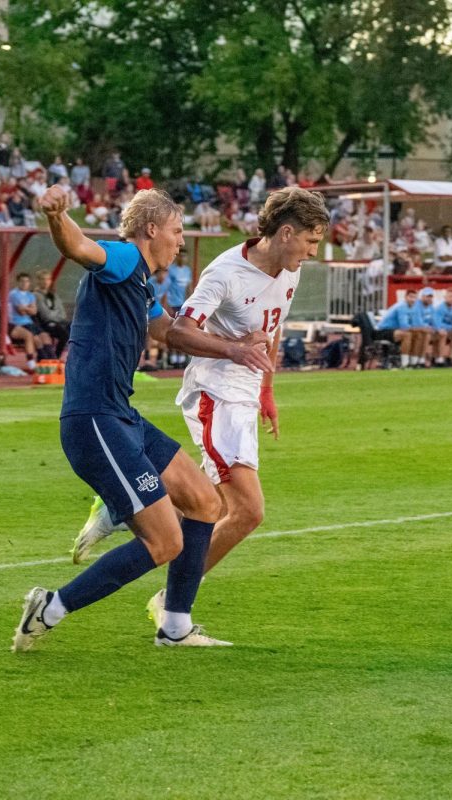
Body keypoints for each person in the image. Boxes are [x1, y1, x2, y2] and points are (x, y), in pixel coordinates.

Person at [13, 185, 264, 652]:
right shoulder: (126, 258)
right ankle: (49, 607)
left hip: (120, 415)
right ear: (151, 230)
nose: (181, 240)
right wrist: (56, 215)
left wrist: (232, 346)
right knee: (165, 541)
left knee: (206, 503)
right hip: (95, 420)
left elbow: (171, 332)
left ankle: (175, 627)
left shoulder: (143, 282)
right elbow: (79, 247)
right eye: (176, 230)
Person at [67, 188, 328, 627]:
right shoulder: (223, 273)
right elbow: (179, 329)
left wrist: (267, 390)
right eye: (311, 242)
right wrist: (233, 351)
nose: (313, 252)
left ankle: (156, 575)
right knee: (246, 510)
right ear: (286, 232)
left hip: (245, 393)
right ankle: (173, 604)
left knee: (210, 505)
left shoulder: (289, 271)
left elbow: (272, 328)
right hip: (215, 391)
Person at [8, 273, 54, 370]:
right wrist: (28, 308)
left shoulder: (30, 295)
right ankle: (37, 363)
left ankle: (51, 360)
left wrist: (26, 308)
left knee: (45, 337)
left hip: (29, 322)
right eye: (22, 281)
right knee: (35, 339)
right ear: (18, 282)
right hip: (17, 323)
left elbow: (34, 311)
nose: (25, 283)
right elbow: (21, 312)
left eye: (27, 281)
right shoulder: (14, 294)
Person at [34, 269, 71, 358]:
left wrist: (55, 315)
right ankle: (56, 357)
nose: (45, 282)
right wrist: (56, 315)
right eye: (43, 279)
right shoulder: (36, 295)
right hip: (45, 324)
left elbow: (62, 313)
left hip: (57, 321)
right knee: (65, 335)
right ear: (38, 281)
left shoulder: (54, 295)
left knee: (73, 326)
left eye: (47, 279)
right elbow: (45, 315)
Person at [378, 289, 419, 367]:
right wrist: (420, 328)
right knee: (407, 335)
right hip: (383, 331)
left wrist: (418, 329)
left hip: (393, 330)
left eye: (415, 298)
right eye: (411, 297)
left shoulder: (411, 308)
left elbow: (413, 324)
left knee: (417, 335)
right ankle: (405, 363)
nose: (413, 300)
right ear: (405, 297)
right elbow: (405, 326)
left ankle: (414, 362)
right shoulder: (402, 307)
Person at [431, 288, 452, 367]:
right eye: (450, 296)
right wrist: (448, 327)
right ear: (445, 297)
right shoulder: (440, 308)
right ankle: (439, 359)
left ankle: (449, 358)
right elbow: (437, 324)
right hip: (435, 330)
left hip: (447, 329)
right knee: (443, 333)